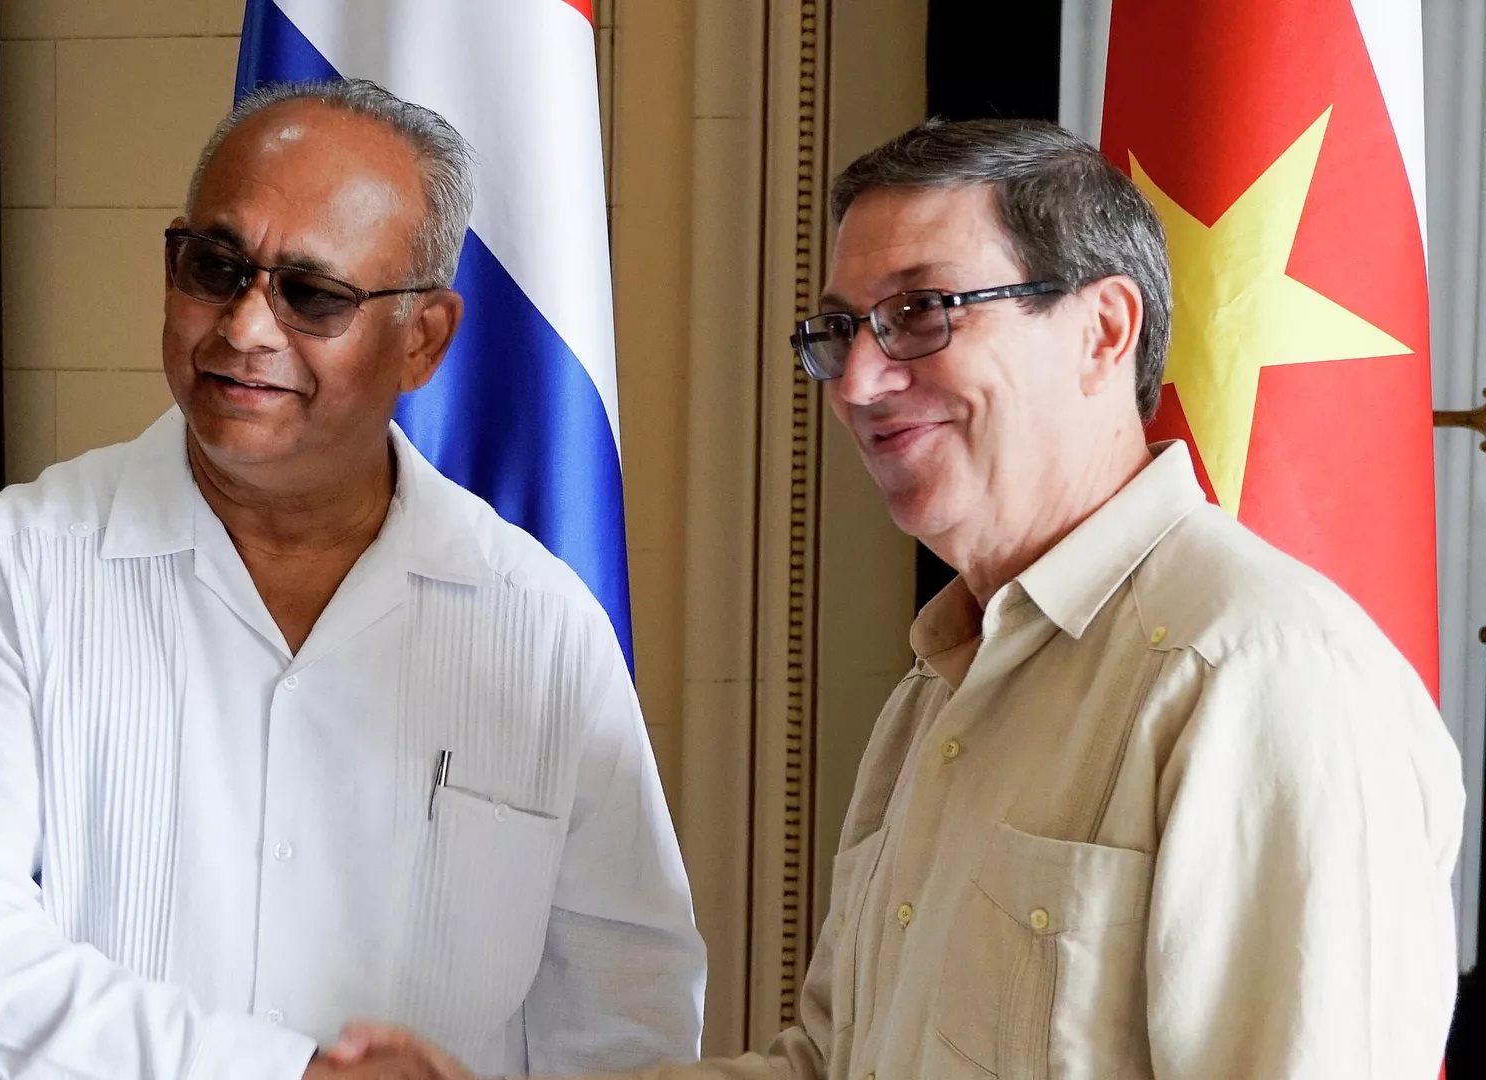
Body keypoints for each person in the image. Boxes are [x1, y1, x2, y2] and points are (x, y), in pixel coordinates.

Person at [332, 117, 1466, 1079]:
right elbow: (832, 1067)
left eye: (922, 313)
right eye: (840, 331)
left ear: (1103, 330)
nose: (862, 382)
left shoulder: (1261, 674)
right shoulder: (943, 685)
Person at [0, 78, 705, 1080]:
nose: (245, 328)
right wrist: (279, 1073)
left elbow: (625, 1017)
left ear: (423, 339)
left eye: (312, 295)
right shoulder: (15, 571)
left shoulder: (541, 625)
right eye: (215, 268)